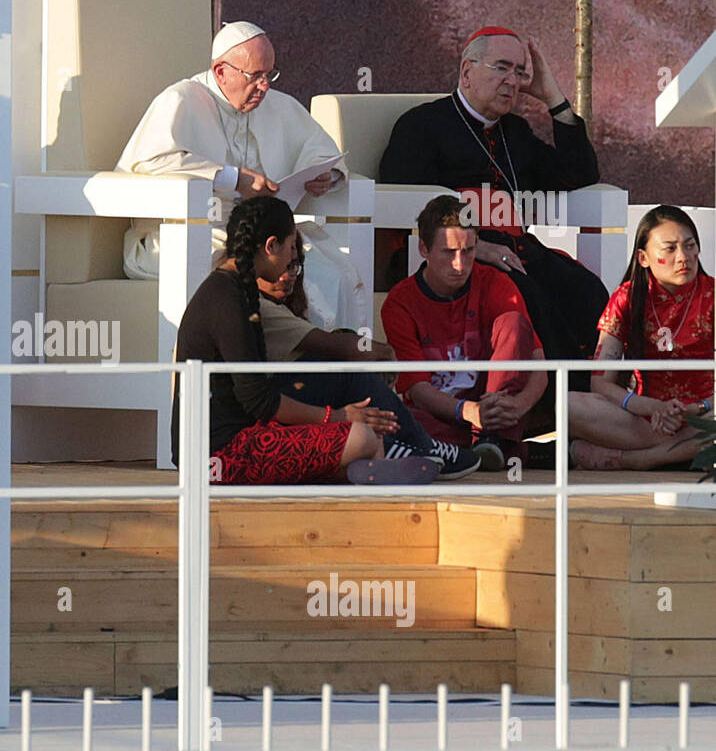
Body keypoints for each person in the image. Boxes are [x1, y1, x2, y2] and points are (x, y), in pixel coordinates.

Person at [379, 26, 606, 380]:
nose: (512, 81)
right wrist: (476, 246)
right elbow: (399, 200)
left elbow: (579, 174)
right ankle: (563, 403)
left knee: (588, 291)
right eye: (501, 67)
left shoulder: (515, 131)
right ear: (467, 72)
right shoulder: (421, 125)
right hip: (462, 255)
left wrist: (553, 98)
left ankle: (600, 394)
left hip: (519, 250)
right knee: (531, 298)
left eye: (519, 72)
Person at [175, 196, 438, 485]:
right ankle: (374, 462)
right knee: (359, 434)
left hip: (241, 437)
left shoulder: (240, 290)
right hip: (214, 456)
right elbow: (258, 400)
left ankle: (367, 467)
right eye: (290, 248)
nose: (291, 259)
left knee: (366, 435)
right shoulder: (227, 299)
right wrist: (336, 416)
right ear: (270, 246)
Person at [116, 20, 348, 281]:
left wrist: (324, 176)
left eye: (270, 74)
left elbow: (322, 152)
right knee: (247, 262)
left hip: (259, 232)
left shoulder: (278, 105)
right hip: (181, 233)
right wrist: (234, 179)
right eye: (255, 75)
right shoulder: (180, 100)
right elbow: (151, 161)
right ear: (221, 72)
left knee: (329, 266)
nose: (265, 86)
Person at [255, 245, 482, 479]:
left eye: (294, 266)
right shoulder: (259, 306)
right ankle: (409, 444)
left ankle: (399, 445)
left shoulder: (274, 304)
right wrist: (382, 352)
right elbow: (331, 344)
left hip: (289, 414)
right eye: (283, 265)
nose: (288, 275)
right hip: (265, 427)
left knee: (346, 359)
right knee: (340, 364)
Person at [381, 196, 548, 469]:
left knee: (513, 322)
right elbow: (418, 390)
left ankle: (486, 445)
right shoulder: (399, 302)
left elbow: (539, 367)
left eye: (469, 251)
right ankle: (512, 452)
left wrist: (517, 407)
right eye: (449, 252)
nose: (460, 265)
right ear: (424, 248)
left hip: (497, 415)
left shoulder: (496, 282)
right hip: (444, 417)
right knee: (394, 423)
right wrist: (470, 412)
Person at [568, 206, 713, 470]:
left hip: (704, 414)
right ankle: (685, 455)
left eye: (690, 246)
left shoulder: (712, 295)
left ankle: (641, 459)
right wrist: (654, 408)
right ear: (643, 258)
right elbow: (600, 383)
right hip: (647, 419)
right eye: (670, 249)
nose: (684, 257)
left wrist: (697, 409)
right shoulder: (627, 297)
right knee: (569, 405)